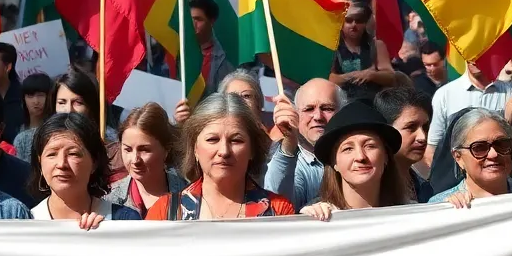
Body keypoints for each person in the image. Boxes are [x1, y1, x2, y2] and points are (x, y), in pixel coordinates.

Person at [148, 93, 295, 219]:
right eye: (212, 140)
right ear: (195, 149)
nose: (224, 151)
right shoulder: (165, 213)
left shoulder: (279, 212)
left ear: (252, 149)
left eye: (236, 140)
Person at [300, 100, 410, 220]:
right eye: (348, 149)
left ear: (386, 156)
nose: (360, 157)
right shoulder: (317, 217)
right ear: (334, 163)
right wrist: (308, 220)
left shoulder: (412, 216)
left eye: (370, 146)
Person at [28, 112, 142, 227]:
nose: (62, 164)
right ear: (40, 162)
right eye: (52, 154)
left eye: (73, 154)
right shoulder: (26, 222)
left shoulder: (124, 221)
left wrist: (106, 233)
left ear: (94, 162)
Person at [428, 110, 512, 207]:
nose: (493, 154)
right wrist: (448, 210)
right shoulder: (440, 206)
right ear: (458, 157)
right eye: (479, 147)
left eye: (501, 144)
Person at [264, 78, 342, 210]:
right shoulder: (292, 163)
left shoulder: (357, 155)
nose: (318, 116)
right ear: (296, 114)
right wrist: (289, 145)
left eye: (327, 108)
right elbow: (278, 205)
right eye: (309, 109)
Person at [425, 61, 512, 166]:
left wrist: (510, 120)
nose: (474, 58)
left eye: (479, 50)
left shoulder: (511, 93)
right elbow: (432, 147)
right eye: (470, 50)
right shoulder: (444, 95)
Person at [108, 103, 187, 213]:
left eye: (144, 150)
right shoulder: (109, 202)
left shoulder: (191, 197)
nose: (135, 160)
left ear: (166, 150)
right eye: (128, 150)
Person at [374, 87, 435, 202]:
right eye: (410, 127)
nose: (422, 137)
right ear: (386, 130)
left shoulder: (425, 188)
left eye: (425, 127)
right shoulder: (370, 191)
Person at [330, 0, 396, 93]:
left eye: (359, 20)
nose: (354, 25)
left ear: (366, 23)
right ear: (341, 23)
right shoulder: (332, 47)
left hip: (372, 100)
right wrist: (355, 75)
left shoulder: (377, 45)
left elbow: (390, 77)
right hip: (343, 101)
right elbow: (329, 79)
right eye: (349, 20)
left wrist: (372, 75)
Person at [189, 0, 235, 93]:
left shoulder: (225, 61)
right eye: (189, 19)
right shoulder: (174, 54)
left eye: (198, 19)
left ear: (211, 21)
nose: (192, 24)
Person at [12, 71, 52, 149]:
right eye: (30, 96)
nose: (36, 101)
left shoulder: (56, 128)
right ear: (24, 99)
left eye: (41, 95)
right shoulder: (17, 129)